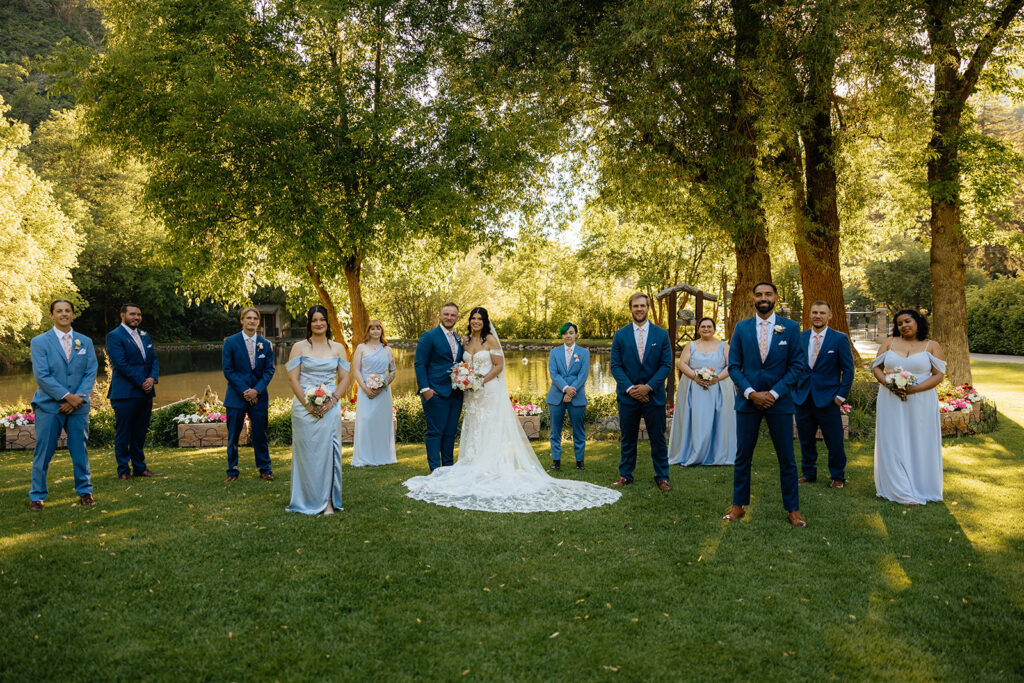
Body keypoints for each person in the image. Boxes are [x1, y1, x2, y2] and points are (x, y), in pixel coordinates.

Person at [404, 307, 620, 512]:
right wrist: (466, 379)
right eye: (473, 318)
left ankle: (489, 467)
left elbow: (499, 366)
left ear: (485, 321)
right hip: (470, 394)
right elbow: (458, 365)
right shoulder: (465, 340)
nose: (476, 322)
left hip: (487, 390)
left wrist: (479, 380)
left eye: (480, 319)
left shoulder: (490, 339)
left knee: (488, 427)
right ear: (469, 321)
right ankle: (467, 464)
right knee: (473, 426)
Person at [724, 282, 807, 527]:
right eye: (759, 294)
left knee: (787, 459)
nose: (763, 298)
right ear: (753, 299)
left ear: (776, 297)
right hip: (748, 402)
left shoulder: (790, 328)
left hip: (779, 402)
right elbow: (734, 366)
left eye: (768, 294)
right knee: (743, 456)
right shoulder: (741, 328)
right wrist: (750, 393)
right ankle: (738, 505)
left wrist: (774, 392)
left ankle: (793, 509)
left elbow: (796, 366)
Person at [28, 300, 99, 509]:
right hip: (50, 406)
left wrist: (78, 398)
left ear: (73, 314)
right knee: (44, 451)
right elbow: (42, 375)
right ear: (51, 315)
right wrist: (67, 396)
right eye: (59, 311)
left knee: (80, 450)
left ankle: (85, 491)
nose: (64, 314)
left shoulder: (84, 342)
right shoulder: (40, 342)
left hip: (78, 407)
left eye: (67, 311)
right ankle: (37, 495)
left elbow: (90, 371)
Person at [871, 309, 946, 505]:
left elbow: (939, 375)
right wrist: (890, 385)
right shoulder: (889, 342)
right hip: (890, 398)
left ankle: (921, 485)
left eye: (907, 321)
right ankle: (898, 488)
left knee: (919, 440)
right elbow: (876, 367)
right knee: (892, 439)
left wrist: (913, 390)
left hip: (921, 400)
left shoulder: (932, 346)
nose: (904, 326)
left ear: (918, 321)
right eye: (899, 324)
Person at [285, 306, 351, 515]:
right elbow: (292, 378)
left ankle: (329, 502)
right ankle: (305, 499)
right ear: (309, 324)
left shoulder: (339, 348)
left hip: (329, 406)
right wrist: (307, 404)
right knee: (307, 454)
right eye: (314, 320)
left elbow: (345, 378)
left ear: (327, 322)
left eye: (322, 319)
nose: (318, 323)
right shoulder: (299, 347)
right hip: (303, 408)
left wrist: (331, 402)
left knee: (329, 453)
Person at [609, 293, 674, 490]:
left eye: (642, 306)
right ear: (630, 308)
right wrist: (630, 389)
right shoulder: (620, 335)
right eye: (635, 306)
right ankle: (625, 475)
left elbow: (666, 365)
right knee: (628, 438)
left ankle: (662, 477)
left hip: (653, 396)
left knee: (658, 438)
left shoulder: (661, 334)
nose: (639, 309)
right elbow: (615, 365)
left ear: (648, 308)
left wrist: (648, 387)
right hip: (628, 397)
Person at [794, 301, 854, 488]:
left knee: (834, 441)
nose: (817, 316)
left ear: (830, 316)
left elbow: (848, 370)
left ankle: (837, 476)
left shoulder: (839, 339)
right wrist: (793, 391)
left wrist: (841, 396)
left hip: (829, 399)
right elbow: (792, 366)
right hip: (803, 398)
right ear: (809, 315)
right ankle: (808, 473)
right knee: (806, 439)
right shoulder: (800, 338)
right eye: (814, 312)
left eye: (822, 312)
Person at [667, 317, 736, 466]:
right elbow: (682, 363)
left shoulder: (724, 345)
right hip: (695, 388)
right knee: (697, 420)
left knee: (719, 421)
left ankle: (718, 454)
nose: (706, 329)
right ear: (698, 329)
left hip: (719, 388)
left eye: (709, 326)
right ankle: (692, 452)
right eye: (703, 326)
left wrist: (716, 378)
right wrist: (695, 377)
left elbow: (731, 365)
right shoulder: (690, 346)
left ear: (714, 329)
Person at [106, 303, 164, 481]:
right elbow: (120, 364)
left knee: (139, 433)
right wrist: (141, 381)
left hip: (145, 393)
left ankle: (140, 467)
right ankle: (123, 470)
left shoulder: (144, 335)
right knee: (123, 433)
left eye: (139, 314)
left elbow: (153, 359)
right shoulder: (114, 336)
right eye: (132, 314)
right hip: (124, 394)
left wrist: (152, 379)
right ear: (122, 315)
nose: (136, 317)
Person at [222, 307, 276, 482]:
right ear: (242, 320)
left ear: (258, 322)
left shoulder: (265, 344)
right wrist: (245, 390)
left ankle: (265, 469)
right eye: (248, 318)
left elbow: (269, 371)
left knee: (260, 434)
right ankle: (232, 470)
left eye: (255, 318)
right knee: (234, 436)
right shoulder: (230, 342)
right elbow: (228, 370)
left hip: (259, 397)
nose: (252, 321)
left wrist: (256, 390)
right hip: (236, 397)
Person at [414, 302, 464, 472]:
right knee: (435, 432)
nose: (449, 317)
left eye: (453, 315)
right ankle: (435, 470)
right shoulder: (429, 336)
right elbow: (420, 364)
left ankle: (448, 469)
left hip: (456, 393)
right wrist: (425, 389)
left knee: (450, 433)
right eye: (446, 314)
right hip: (435, 392)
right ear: (440, 315)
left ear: (457, 317)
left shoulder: (459, 338)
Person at [350, 319, 397, 467]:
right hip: (365, 391)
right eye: (372, 329)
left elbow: (393, 371)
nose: (375, 331)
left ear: (382, 331)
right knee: (366, 420)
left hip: (382, 392)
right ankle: (364, 457)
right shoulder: (361, 348)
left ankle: (383, 456)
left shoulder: (387, 350)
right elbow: (356, 369)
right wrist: (364, 388)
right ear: (368, 331)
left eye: (378, 328)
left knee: (381, 422)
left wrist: (383, 385)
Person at [546, 322, 590, 471]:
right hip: (556, 396)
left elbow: (583, 375)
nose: (568, 336)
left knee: (578, 430)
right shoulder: (554, 352)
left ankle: (580, 462)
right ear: (562, 335)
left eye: (571, 332)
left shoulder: (584, 353)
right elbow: (554, 373)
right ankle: (556, 461)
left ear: (576, 334)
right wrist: (565, 388)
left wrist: (571, 392)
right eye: (565, 333)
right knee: (555, 431)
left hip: (577, 397)